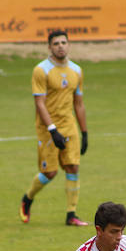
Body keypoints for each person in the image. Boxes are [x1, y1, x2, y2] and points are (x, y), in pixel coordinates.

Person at [19, 30, 90, 227]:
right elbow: (39, 103)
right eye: (56, 43)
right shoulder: (41, 70)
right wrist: (52, 129)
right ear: (49, 47)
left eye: (63, 42)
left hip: (69, 126)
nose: (60, 46)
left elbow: (79, 104)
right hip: (47, 127)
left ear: (69, 45)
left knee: (72, 167)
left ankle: (71, 214)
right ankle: (27, 198)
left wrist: (84, 132)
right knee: (50, 173)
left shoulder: (76, 70)